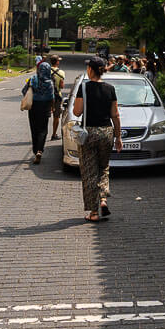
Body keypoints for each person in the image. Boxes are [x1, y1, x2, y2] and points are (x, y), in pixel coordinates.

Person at [72, 55, 121, 222]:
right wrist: (119, 137)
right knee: (104, 168)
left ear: (90, 69)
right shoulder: (110, 88)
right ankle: (103, 199)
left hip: (89, 133)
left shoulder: (84, 88)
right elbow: (115, 114)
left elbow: (77, 112)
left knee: (89, 172)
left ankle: (93, 212)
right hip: (107, 131)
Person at [20, 54, 56, 163]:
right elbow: (52, 97)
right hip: (45, 107)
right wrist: (52, 108)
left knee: (34, 129)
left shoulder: (33, 79)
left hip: (33, 107)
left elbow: (24, 91)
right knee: (43, 129)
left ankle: (35, 150)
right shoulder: (50, 83)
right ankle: (40, 149)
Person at [48, 55, 67, 141]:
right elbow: (61, 86)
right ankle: (54, 134)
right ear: (57, 62)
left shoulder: (46, 71)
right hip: (57, 96)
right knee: (56, 116)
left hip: (46, 96)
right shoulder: (61, 72)